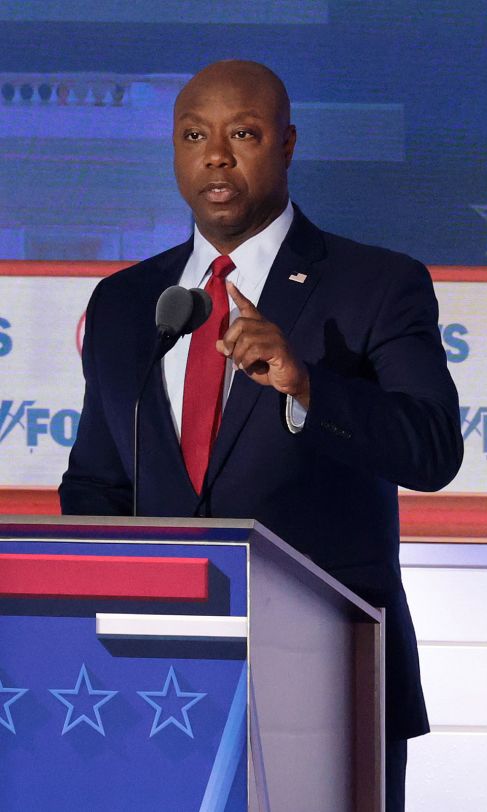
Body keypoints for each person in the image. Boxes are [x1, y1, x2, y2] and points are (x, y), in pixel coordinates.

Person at [60, 60, 463, 811]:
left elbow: (433, 448)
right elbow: (96, 483)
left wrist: (308, 386)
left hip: (327, 680)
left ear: (286, 145)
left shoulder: (375, 284)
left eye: (242, 133)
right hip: (155, 683)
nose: (216, 154)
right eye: (193, 136)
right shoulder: (124, 304)